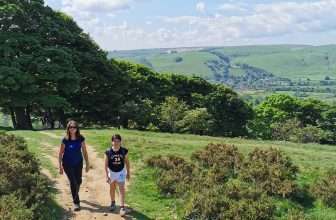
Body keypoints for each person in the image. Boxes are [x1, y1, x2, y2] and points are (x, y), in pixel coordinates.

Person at [58, 120, 90, 211]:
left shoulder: (81, 138)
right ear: (68, 129)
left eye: (74, 127)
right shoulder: (65, 140)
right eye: (70, 127)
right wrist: (60, 166)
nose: (72, 129)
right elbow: (60, 153)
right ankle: (76, 203)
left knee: (79, 181)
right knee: (73, 182)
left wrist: (87, 163)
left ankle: (75, 192)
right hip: (67, 163)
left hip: (78, 162)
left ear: (77, 128)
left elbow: (84, 151)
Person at [105, 134, 130, 216]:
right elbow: (105, 164)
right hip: (111, 172)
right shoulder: (108, 151)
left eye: (118, 141)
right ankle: (113, 203)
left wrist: (128, 173)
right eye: (114, 141)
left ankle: (122, 207)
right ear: (111, 142)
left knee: (122, 188)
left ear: (120, 142)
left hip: (121, 171)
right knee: (112, 188)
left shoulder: (124, 151)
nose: (116, 143)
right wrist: (106, 175)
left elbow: (127, 162)